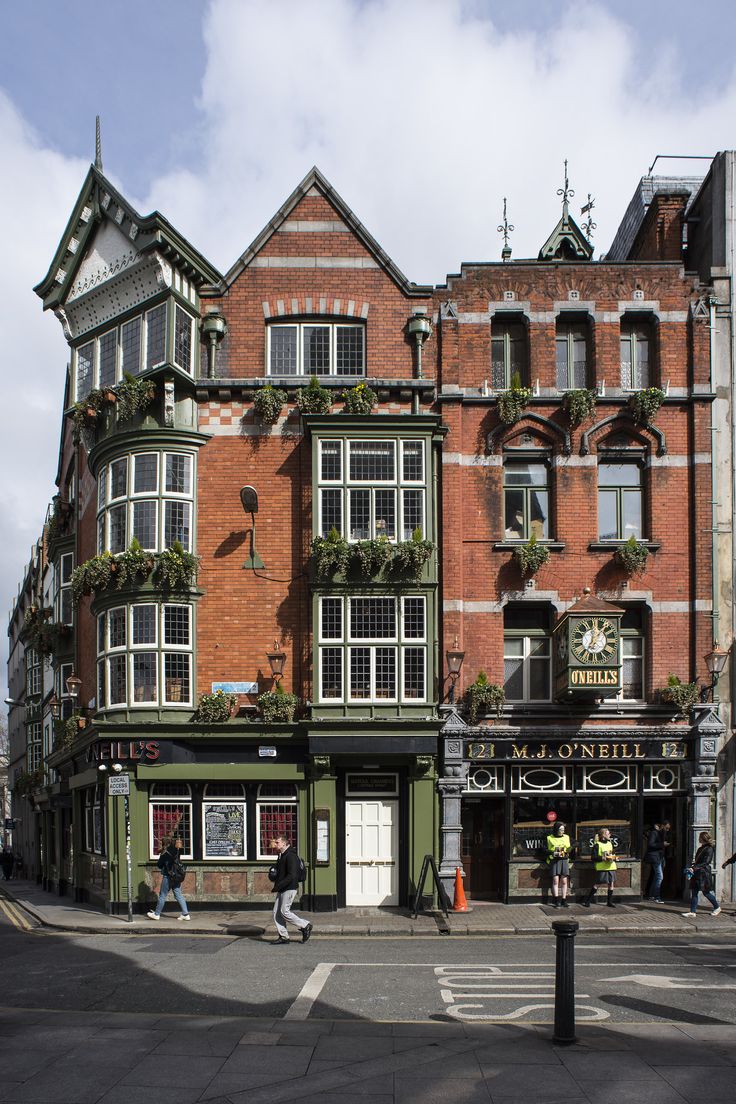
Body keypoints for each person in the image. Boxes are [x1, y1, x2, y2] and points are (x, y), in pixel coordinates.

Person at [270, 834, 312, 944]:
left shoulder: (291, 856)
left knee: (284, 911)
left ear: (284, 843)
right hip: (282, 887)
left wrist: (279, 886)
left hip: (289, 887)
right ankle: (284, 937)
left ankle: (305, 925)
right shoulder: (282, 855)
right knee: (276, 913)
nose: (275, 844)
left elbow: (292, 875)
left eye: (277, 842)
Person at [147, 836, 191, 921]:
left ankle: (156, 914)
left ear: (164, 843)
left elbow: (159, 865)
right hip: (176, 876)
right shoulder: (176, 850)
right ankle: (185, 914)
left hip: (168, 876)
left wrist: (161, 856)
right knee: (178, 895)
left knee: (162, 895)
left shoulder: (164, 853)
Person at [682, 831, 721, 918]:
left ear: (703, 838)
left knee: (706, 893)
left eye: (700, 837)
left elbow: (706, 862)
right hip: (697, 873)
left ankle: (717, 907)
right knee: (694, 892)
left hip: (704, 874)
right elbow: (698, 861)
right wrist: (693, 867)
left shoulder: (709, 848)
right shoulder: (701, 848)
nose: (698, 839)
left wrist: (694, 868)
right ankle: (692, 912)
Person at [582, 828, 617, 908]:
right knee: (597, 884)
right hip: (602, 867)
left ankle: (609, 902)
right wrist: (603, 858)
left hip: (611, 866)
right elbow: (593, 857)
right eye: (608, 834)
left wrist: (614, 857)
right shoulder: (597, 844)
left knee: (611, 884)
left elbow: (611, 854)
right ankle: (588, 901)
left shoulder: (610, 843)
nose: (610, 835)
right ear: (604, 835)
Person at [545, 821, 572, 908]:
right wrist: (552, 852)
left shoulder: (567, 837)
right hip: (555, 860)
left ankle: (564, 900)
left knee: (564, 881)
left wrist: (569, 850)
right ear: (556, 829)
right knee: (555, 881)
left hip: (564, 860)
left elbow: (573, 845)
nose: (562, 831)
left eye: (563, 829)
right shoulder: (549, 838)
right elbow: (544, 849)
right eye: (561, 829)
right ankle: (556, 900)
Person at [643, 821, 670, 902]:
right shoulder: (654, 833)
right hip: (655, 857)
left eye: (668, 829)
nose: (667, 830)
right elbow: (651, 844)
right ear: (662, 826)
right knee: (659, 877)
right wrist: (662, 844)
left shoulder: (661, 833)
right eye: (667, 828)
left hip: (660, 857)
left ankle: (651, 895)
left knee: (656, 877)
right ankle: (656, 897)